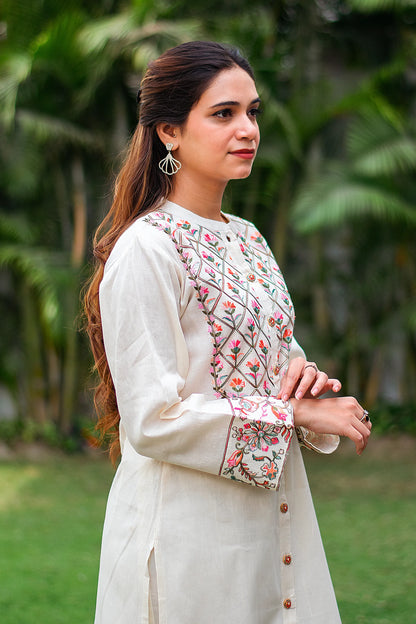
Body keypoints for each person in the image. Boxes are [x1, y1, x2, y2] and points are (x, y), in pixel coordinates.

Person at [84, 40, 372, 624]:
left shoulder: (248, 239)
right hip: (191, 538)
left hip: (273, 520)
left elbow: (274, 361)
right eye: (224, 114)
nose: (248, 129)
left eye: (253, 112)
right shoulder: (147, 249)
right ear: (169, 131)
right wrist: (290, 416)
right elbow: (153, 419)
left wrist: (306, 384)